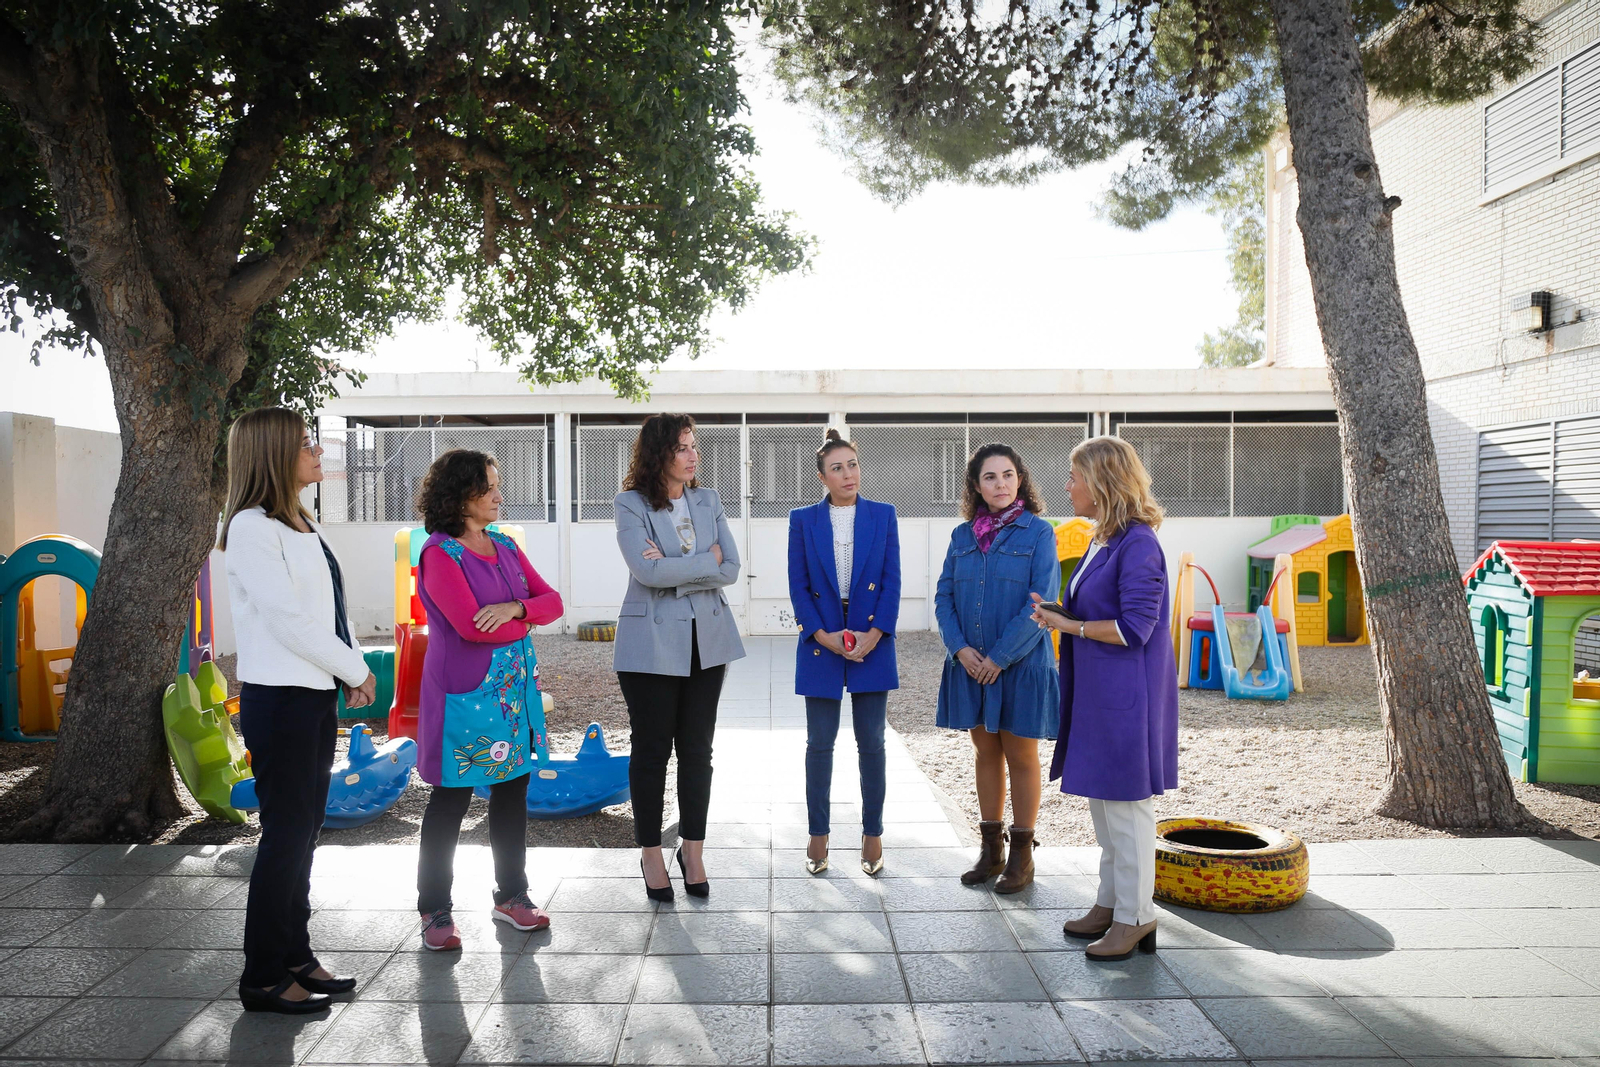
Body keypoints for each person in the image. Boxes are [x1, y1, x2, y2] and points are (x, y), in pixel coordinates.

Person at [221, 407, 376, 1014]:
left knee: (304, 830)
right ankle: (261, 976)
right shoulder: (252, 528)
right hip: (279, 700)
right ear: (273, 454)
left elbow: (331, 611)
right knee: (285, 835)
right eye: (305, 444)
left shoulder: (301, 522)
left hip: (311, 696)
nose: (316, 452)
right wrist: (356, 671)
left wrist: (349, 673)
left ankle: (296, 956)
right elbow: (288, 621)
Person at [412, 449, 564, 950]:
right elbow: (471, 628)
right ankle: (434, 908)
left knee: (513, 790)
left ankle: (512, 896)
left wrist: (514, 607)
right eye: (489, 488)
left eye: (498, 486)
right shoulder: (439, 554)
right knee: (450, 798)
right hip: (464, 696)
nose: (500, 496)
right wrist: (524, 618)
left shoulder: (504, 545)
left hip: (513, 695)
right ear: (459, 495)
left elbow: (553, 602)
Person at [1033, 435, 1176, 961]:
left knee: (1127, 811)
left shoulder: (1139, 543)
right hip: (1098, 694)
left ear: (1102, 482)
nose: (1067, 487)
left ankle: (1137, 917)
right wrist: (1057, 612)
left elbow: (1136, 627)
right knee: (1104, 807)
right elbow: (1088, 608)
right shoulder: (1105, 538)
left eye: (1075, 477)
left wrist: (1069, 626)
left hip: (1125, 699)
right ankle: (1112, 903)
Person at [613, 413, 744, 901]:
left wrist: (676, 569)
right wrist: (700, 564)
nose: (694, 456)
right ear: (658, 454)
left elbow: (729, 567)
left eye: (695, 446)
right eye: (683, 447)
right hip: (648, 645)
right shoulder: (629, 504)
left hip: (707, 642)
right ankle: (650, 853)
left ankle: (692, 849)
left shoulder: (708, 501)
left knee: (697, 752)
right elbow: (645, 575)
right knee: (651, 751)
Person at [935, 442, 1060, 894]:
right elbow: (943, 597)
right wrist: (960, 649)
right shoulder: (961, 536)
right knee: (985, 753)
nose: (1000, 484)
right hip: (970, 666)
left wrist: (999, 658)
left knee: (1021, 757)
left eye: (1008, 474)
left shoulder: (1040, 534)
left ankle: (1023, 858)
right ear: (976, 486)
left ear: (1020, 479)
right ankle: (991, 852)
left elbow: (1041, 605)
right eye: (990, 477)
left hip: (1020, 666)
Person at [788, 429, 901, 876]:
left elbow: (892, 581)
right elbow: (798, 585)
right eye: (837, 467)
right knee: (820, 743)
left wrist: (876, 634)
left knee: (872, 742)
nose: (848, 473)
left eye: (852, 464)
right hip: (823, 641)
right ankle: (819, 833)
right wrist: (820, 634)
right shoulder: (802, 519)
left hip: (872, 636)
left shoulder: (884, 515)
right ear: (822, 476)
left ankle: (872, 833)